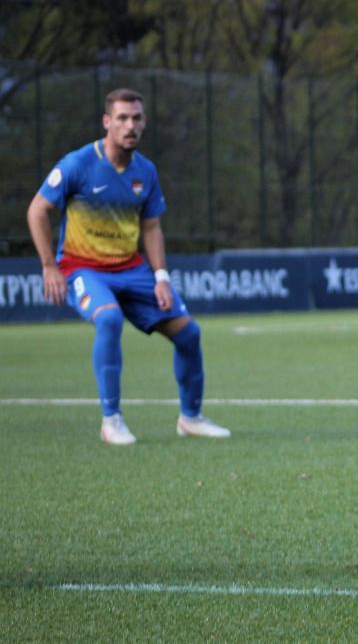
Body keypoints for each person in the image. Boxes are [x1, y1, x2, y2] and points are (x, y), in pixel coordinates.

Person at [27, 88, 231, 446]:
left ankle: (191, 417)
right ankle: (111, 421)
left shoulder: (145, 171)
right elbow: (37, 210)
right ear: (107, 122)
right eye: (122, 118)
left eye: (136, 118)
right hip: (82, 268)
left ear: (144, 123)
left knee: (189, 333)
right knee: (108, 318)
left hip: (131, 269)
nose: (130, 125)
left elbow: (151, 227)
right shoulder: (78, 164)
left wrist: (161, 278)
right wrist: (48, 266)